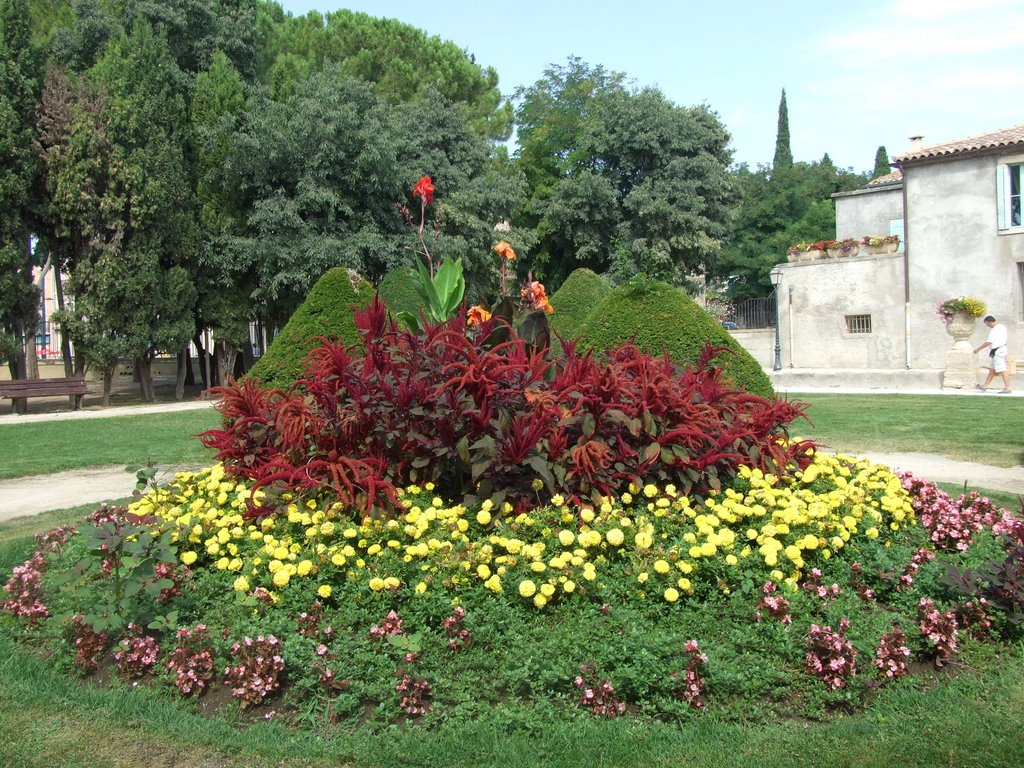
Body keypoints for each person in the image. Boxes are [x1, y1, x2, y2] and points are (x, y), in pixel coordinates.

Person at [973, 315, 1011, 393]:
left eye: (987, 324)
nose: (987, 326)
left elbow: (988, 342)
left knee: (1002, 369)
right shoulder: (1002, 327)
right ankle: (985, 385)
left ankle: (1008, 388)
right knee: (992, 369)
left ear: (990, 322)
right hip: (1000, 349)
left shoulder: (995, 329)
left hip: (998, 351)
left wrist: (978, 349)